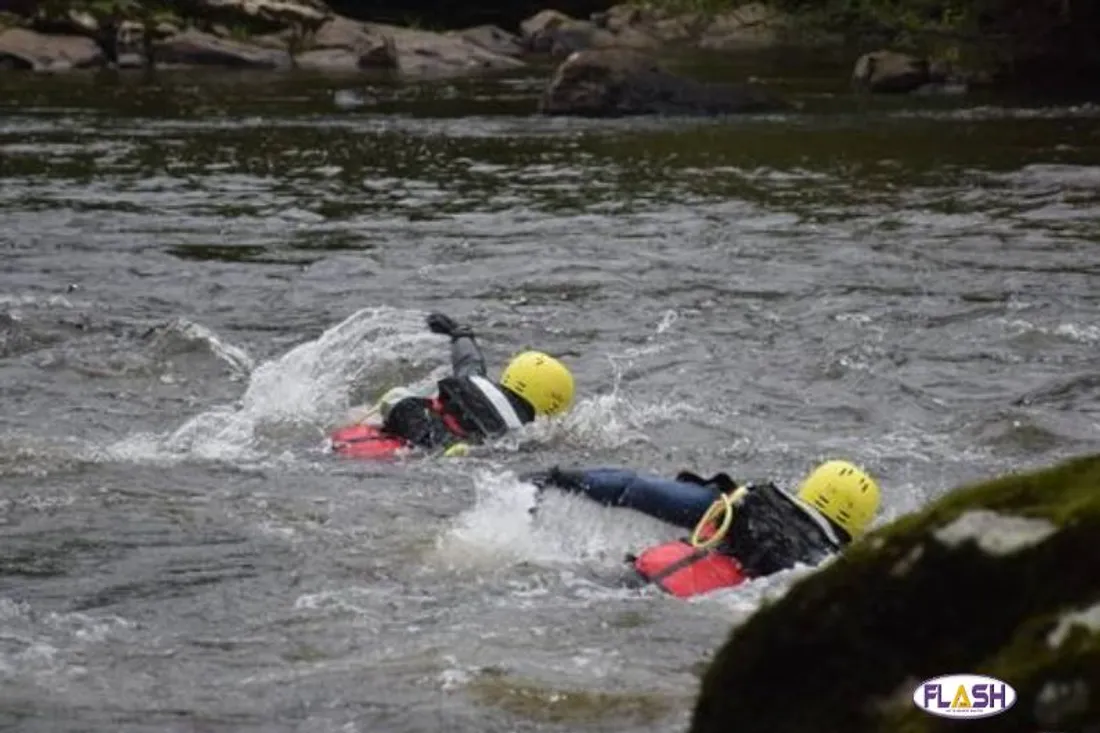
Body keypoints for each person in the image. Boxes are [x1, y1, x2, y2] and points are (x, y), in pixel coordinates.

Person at [523, 460, 881, 597]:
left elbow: (637, 490)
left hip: (629, 581)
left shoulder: (743, 502)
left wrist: (561, 479)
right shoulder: (831, 570)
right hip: (684, 612)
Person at [333, 312, 576, 459]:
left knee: (397, 396)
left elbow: (469, 359)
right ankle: (450, 448)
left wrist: (460, 333)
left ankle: (356, 421)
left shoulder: (477, 382)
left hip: (416, 418)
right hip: (459, 444)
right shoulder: (524, 430)